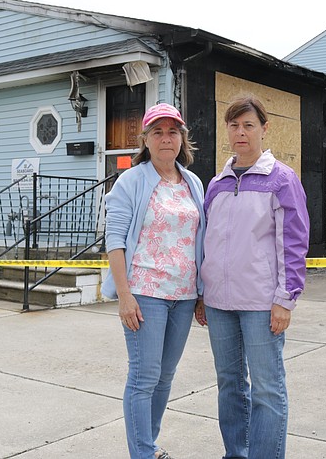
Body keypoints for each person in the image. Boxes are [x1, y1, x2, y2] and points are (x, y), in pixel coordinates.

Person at [196, 95, 310, 459]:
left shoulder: (282, 180)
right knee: (229, 385)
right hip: (218, 304)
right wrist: (202, 292)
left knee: (267, 389)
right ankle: (236, 453)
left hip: (263, 304)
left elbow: (294, 242)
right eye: (234, 125)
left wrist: (286, 299)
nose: (240, 132)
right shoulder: (216, 183)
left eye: (248, 125)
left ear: (264, 128)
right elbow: (206, 243)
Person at [102, 103, 206, 459]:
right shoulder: (131, 180)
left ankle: (148, 443)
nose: (166, 138)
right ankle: (144, 453)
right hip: (145, 292)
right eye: (158, 132)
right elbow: (115, 240)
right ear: (145, 139)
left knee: (165, 378)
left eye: (173, 131)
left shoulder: (193, 182)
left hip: (184, 294)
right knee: (145, 376)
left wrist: (201, 293)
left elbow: (200, 239)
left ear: (182, 139)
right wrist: (124, 296)